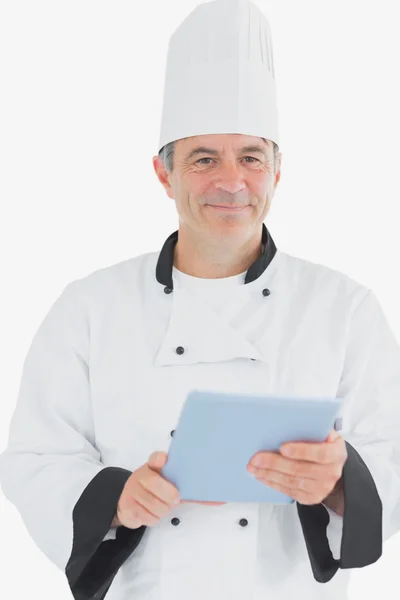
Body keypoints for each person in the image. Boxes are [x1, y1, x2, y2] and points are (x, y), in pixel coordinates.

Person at [1, 1, 400, 599]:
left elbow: (391, 452)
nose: (231, 182)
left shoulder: (344, 308)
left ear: (277, 171)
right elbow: (36, 455)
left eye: (251, 158)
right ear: (165, 175)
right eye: (204, 159)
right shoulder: (90, 307)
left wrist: (339, 483)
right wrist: (115, 499)